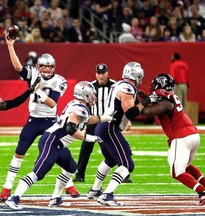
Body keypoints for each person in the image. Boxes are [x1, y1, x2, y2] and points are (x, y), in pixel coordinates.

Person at [5, 81, 114, 209]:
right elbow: (70, 129)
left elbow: (86, 119)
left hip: (57, 144)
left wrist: (102, 118)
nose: (94, 97)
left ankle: (55, 198)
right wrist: (90, 138)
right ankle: (14, 198)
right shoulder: (80, 108)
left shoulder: (76, 105)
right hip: (51, 141)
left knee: (71, 167)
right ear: (86, 95)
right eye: (92, 94)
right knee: (38, 173)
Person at [0, 32, 79, 201]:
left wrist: (38, 91)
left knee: (56, 151)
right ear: (38, 67)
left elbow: (53, 103)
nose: (47, 70)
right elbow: (18, 67)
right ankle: (7, 187)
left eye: (49, 67)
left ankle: (69, 185)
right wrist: (10, 45)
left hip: (51, 122)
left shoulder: (59, 80)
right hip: (33, 121)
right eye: (44, 67)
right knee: (19, 153)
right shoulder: (33, 74)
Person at [87, 62, 160, 206]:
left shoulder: (119, 84)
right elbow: (131, 113)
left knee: (110, 159)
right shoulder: (127, 88)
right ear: (138, 75)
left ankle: (95, 190)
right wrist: (146, 101)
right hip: (110, 127)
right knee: (127, 164)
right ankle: (107, 195)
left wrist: (140, 101)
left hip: (103, 126)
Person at [139, 73, 205, 206]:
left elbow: (146, 112)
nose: (151, 88)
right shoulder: (169, 98)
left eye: (154, 86)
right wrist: (146, 99)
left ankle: (202, 192)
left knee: (177, 171)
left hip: (182, 136)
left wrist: (139, 104)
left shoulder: (166, 102)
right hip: (192, 134)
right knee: (185, 167)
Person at [73, 63, 115, 183]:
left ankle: (124, 173)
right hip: (93, 121)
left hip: (108, 122)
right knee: (86, 148)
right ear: (96, 74)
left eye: (103, 73)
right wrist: (84, 123)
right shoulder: (91, 87)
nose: (101, 76)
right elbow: (84, 105)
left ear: (107, 73)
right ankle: (80, 174)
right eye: (99, 73)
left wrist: (125, 121)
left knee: (113, 147)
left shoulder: (114, 86)